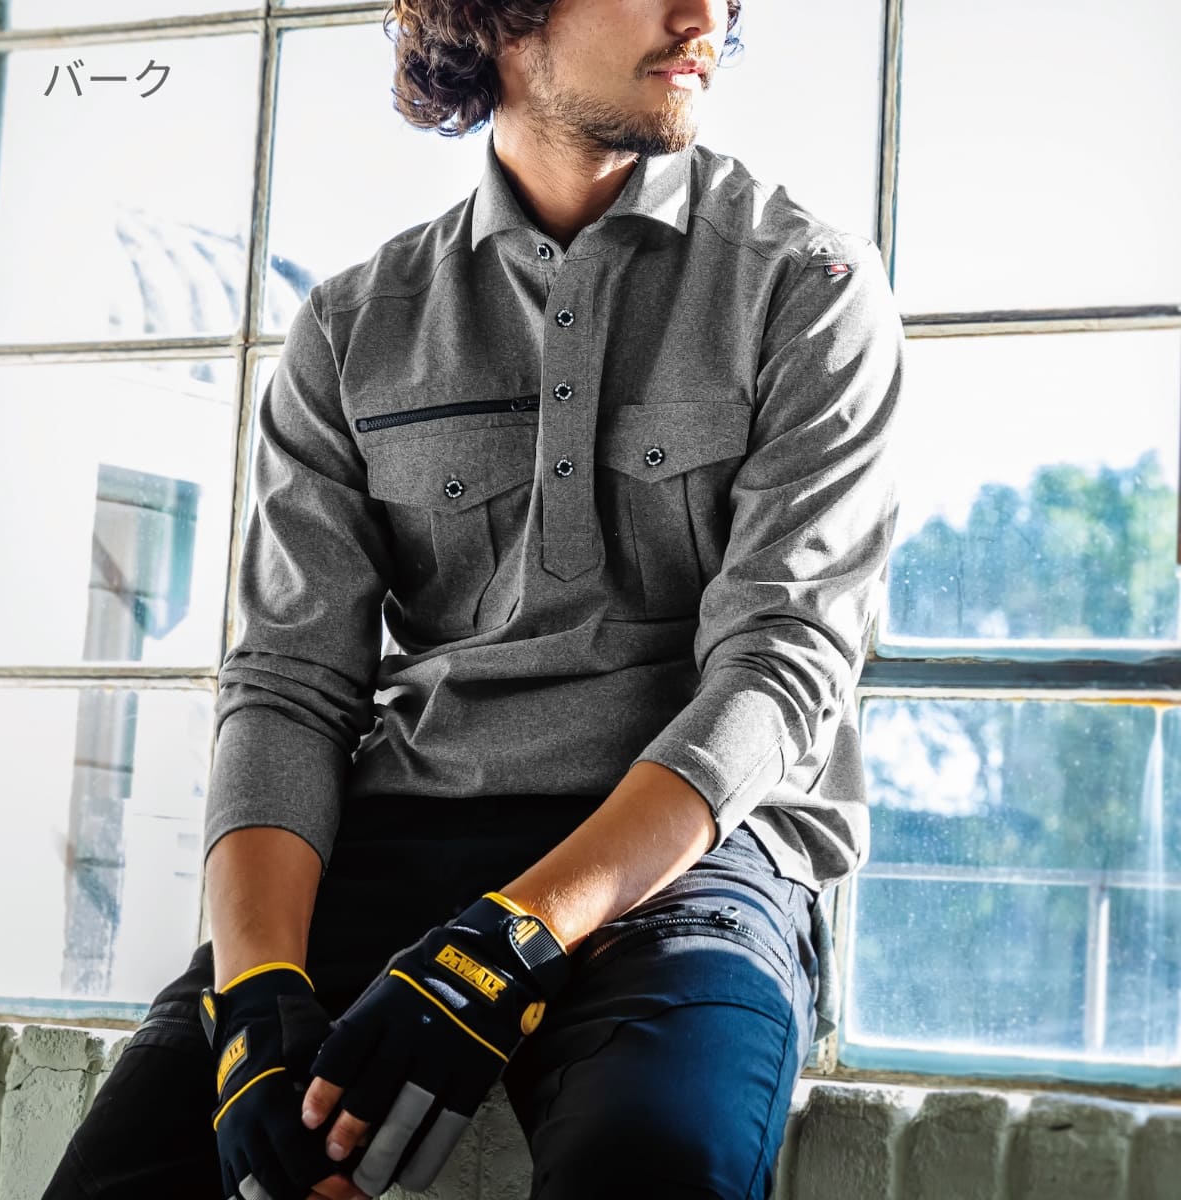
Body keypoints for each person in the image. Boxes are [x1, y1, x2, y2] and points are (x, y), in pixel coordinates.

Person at [46, 1, 904, 1197]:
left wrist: (512, 938)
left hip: (691, 864)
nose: (703, 16)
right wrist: (255, 994)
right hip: (399, 845)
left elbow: (780, 666)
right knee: (127, 1176)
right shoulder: (352, 326)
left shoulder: (806, 285)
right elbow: (288, 686)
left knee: (657, 1163)